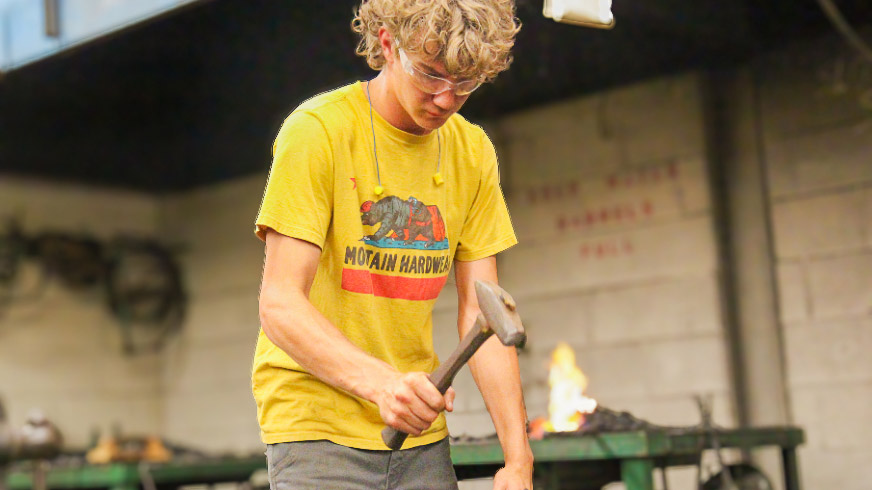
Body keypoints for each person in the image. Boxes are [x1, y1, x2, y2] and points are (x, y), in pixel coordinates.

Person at [252, 1, 532, 488]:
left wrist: (517, 456)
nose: (445, 99)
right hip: (318, 427)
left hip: (418, 429)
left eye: (464, 83)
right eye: (429, 74)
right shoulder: (318, 132)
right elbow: (279, 304)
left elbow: (483, 314)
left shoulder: (473, 151)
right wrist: (381, 384)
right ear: (387, 43)